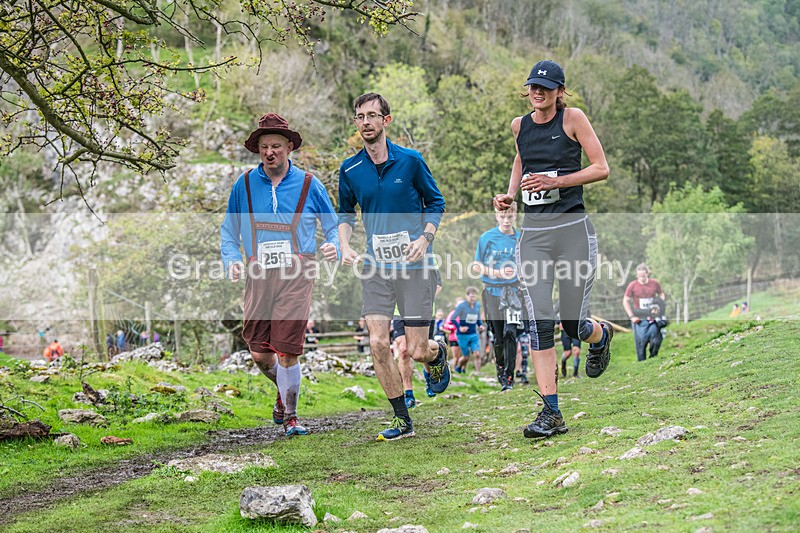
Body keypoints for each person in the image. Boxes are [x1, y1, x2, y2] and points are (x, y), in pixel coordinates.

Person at [494, 59, 614, 439]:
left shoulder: (573, 119)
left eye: (546, 87)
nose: (538, 92)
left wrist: (556, 181)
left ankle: (600, 335)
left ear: (560, 92)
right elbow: (520, 158)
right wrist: (511, 195)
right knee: (539, 323)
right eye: (533, 86)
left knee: (573, 325)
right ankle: (551, 412)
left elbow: (601, 168)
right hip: (535, 235)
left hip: (573, 230)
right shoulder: (519, 126)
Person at [338, 92, 449, 441]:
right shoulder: (350, 169)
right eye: (360, 116)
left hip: (415, 267)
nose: (366, 121)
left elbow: (436, 202)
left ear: (386, 121)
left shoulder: (411, 161)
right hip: (375, 268)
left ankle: (437, 354)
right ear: (356, 123)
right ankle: (403, 419)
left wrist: (425, 238)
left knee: (416, 350)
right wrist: (344, 245)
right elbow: (344, 213)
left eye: (372, 115)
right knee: (377, 343)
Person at [221, 112, 339, 437]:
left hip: (298, 271)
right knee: (260, 353)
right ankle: (283, 389)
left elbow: (332, 227)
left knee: (287, 350)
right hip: (258, 273)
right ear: (257, 149)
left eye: (276, 145)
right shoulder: (244, 185)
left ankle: (291, 417)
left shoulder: (309, 184)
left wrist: (334, 247)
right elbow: (228, 230)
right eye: (263, 147)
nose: (269, 152)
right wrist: (231, 259)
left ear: (289, 146)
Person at [473, 202, 522, 390]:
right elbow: (477, 266)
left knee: (511, 332)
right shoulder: (487, 238)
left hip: (514, 294)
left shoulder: (520, 238)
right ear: (496, 216)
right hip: (492, 292)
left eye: (510, 216)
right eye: (502, 217)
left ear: (515, 214)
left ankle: (509, 377)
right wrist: (498, 272)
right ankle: (500, 365)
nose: (506, 220)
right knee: (498, 336)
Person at [393, 268, 443, 408]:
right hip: (398, 311)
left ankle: (428, 376)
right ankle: (409, 394)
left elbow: (437, 285)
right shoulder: (393, 256)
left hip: (423, 310)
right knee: (403, 350)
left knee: (421, 350)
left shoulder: (427, 254)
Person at [623, 264, 666, 361]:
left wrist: (659, 305)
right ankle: (642, 363)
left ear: (647, 274)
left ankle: (653, 358)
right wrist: (631, 316)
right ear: (637, 275)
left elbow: (661, 294)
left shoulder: (654, 283)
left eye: (643, 276)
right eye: (639, 276)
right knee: (641, 342)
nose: (642, 278)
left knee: (655, 338)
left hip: (652, 316)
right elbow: (625, 300)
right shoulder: (633, 285)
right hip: (639, 317)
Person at [453, 286, 485, 374]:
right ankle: (458, 368)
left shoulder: (477, 305)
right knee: (466, 357)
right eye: (471, 296)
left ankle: (478, 373)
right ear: (467, 296)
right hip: (462, 335)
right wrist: (460, 327)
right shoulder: (461, 306)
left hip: (473, 333)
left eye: (474, 296)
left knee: (477, 354)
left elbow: (478, 316)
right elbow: (453, 318)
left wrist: (480, 325)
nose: (472, 298)